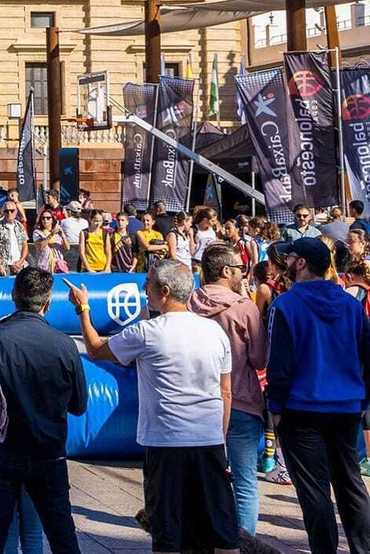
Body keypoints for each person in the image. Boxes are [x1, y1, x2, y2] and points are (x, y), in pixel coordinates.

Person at [72, 261, 239, 554]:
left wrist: (83, 309)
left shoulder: (148, 331)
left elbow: (96, 349)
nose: (143, 289)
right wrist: (220, 440)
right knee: (222, 533)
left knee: (167, 533)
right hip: (209, 441)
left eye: (147, 284)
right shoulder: (215, 333)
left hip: (165, 443)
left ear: (164, 291)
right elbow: (225, 391)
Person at [0, 267, 85, 554]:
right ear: (48, 302)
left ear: (14, 296)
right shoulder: (65, 344)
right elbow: (79, 406)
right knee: (62, 536)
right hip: (48, 454)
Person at [265, 236, 370, 553]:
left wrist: (276, 406)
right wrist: (361, 397)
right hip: (345, 406)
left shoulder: (286, 304)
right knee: (350, 484)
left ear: (300, 264)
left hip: (302, 407)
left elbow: (279, 364)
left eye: (290, 257)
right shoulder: (351, 306)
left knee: (314, 491)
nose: (285, 263)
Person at [188, 241, 269, 537]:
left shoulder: (187, 303)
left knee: (200, 480)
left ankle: (201, 537)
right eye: (239, 268)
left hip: (196, 403)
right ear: (225, 271)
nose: (242, 273)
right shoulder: (244, 307)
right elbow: (260, 359)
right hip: (241, 403)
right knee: (245, 482)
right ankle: (242, 542)